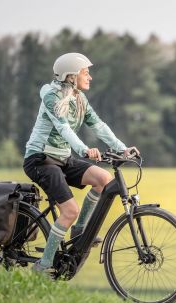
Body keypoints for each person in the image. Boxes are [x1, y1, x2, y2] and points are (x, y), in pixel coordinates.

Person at [23, 52, 137, 274]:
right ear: (72, 76)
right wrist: (84, 150)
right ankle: (43, 266)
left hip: (63, 158)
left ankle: (79, 231)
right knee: (69, 210)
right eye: (86, 72)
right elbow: (63, 128)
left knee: (104, 180)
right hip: (41, 159)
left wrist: (123, 148)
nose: (90, 77)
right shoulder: (51, 97)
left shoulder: (79, 98)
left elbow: (99, 126)